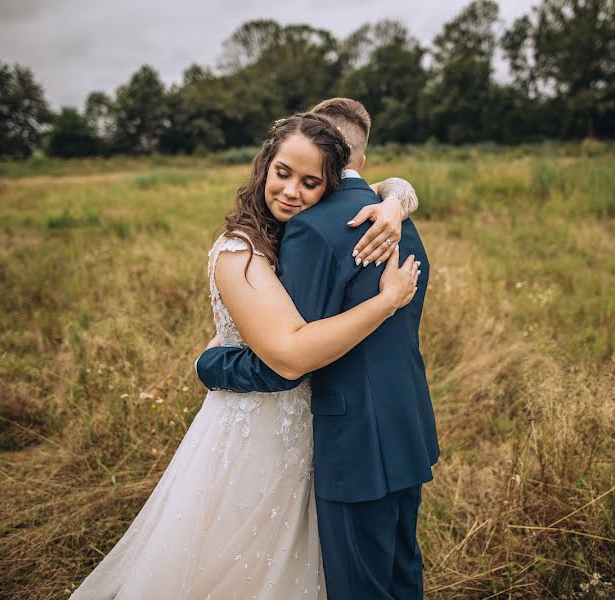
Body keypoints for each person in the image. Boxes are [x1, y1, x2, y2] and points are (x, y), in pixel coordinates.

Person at [69, 111, 421, 599]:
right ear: (264, 165)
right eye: (282, 173)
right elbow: (289, 355)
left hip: (314, 434)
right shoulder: (241, 249)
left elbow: (383, 185)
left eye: (310, 181)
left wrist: (398, 199)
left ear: (332, 183)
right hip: (260, 427)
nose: (292, 191)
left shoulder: (325, 226)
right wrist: (385, 293)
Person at [196, 98, 439, 599]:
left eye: (312, 175)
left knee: (358, 586)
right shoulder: (399, 221)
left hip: (351, 443)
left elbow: (287, 360)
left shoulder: (311, 229)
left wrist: (212, 362)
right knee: (402, 574)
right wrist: (397, 194)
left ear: (333, 160)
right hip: (406, 424)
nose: (297, 186)